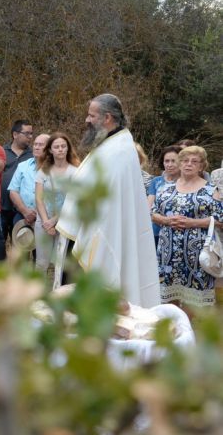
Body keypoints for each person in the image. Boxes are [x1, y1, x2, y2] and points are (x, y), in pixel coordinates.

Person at [56, 93, 160, 307]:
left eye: (91, 115)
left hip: (99, 232)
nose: (87, 120)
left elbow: (110, 202)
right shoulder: (110, 144)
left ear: (108, 118)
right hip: (84, 228)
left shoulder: (119, 150)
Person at [151, 146, 222, 309]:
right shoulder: (165, 189)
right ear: (180, 164)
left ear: (201, 166)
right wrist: (166, 221)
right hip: (167, 254)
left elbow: (221, 219)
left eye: (194, 161)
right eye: (184, 160)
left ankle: (188, 329)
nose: (188, 164)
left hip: (197, 255)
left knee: (194, 302)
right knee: (168, 298)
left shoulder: (212, 191)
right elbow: (153, 213)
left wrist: (193, 223)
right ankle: (173, 330)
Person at [34, 133, 80, 272]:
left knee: (61, 264)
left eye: (63, 146)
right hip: (43, 221)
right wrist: (46, 222)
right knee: (41, 263)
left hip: (65, 222)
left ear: (68, 149)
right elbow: (38, 198)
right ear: (50, 150)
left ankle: (59, 292)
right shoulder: (43, 171)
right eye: (56, 147)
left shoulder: (75, 172)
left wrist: (54, 221)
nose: (60, 149)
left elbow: (73, 200)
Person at [1, 120, 34, 241]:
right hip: (2, 208)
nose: (30, 137)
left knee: (21, 247)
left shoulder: (33, 155)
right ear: (15, 134)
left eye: (31, 133)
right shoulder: (1, 152)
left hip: (23, 210)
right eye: (27, 134)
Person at [9, 133, 50, 228]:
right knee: (21, 242)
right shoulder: (23, 166)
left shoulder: (55, 169)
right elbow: (13, 191)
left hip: (47, 218)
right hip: (22, 216)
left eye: (41, 145)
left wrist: (38, 211)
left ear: (49, 148)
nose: (36, 147)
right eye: (35, 144)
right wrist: (25, 211)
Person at [148, 145, 182, 245]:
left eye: (173, 161)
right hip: (156, 231)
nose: (169, 164)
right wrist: (161, 219)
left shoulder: (188, 183)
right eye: (166, 161)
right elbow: (148, 207)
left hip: (179, 231)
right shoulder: (156, 181)